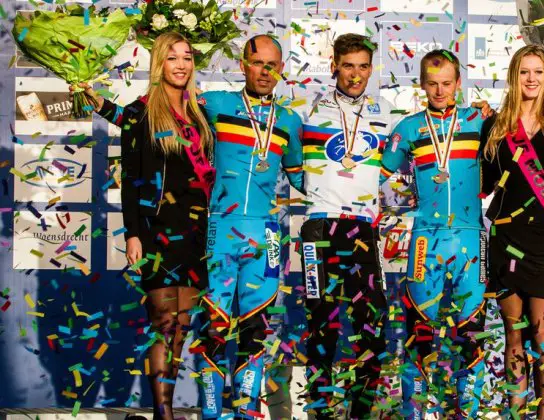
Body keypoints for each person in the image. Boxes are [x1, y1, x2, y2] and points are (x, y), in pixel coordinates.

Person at [78, 34, 303, 419]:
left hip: (263, 234)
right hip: (215, 231)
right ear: (242, 65)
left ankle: (248, 411)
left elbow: (308, 179)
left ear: (282, 69)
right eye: (256, 62)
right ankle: (210, 411)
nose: (264, 71)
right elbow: (143, 116)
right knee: (205, 326)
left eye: (272, 64)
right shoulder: (211, 104)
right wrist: (100, 102)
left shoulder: (291, 120)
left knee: (256, 327)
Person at [379, 49, 488, 419]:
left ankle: (465, 414)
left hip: (472, 239)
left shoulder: (479, 120)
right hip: (426, 238)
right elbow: (382, 176)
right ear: (422, 84)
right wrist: (408, 199)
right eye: (432, 84)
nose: (440, 91)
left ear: (458, 83)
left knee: (471, 334)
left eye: (447, 83)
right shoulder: (408, 127)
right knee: (420, 333)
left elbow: (532, 116)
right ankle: (419, 414)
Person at [479, 45, 544, 419]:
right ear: (514, 76)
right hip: (506, 241)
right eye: (524, 71)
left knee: (543, 336)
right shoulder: (494, 127)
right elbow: (487, 183)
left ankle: (543, 415)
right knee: (513, 334)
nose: (531, 79)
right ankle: (516, 413)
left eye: (538, 72)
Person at [114, 32, 214, 420]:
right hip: (156, 230)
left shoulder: (201, 115)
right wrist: (133, 233)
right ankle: (164, 412)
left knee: (182, 326)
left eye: (187, 57)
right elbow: (131, 180)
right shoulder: (140, 113)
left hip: (194, 233)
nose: (181, 65)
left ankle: (161, 412)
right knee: (163, 321)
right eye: (172, 58)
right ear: (159, 64)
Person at [298, 33, 394, 419]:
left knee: (370, 325)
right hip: (317, 228)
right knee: (321, 324)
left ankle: (360, 412)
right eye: (348, 65)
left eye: (363, 66)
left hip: (360, 232)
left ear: (372, 69)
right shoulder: (306, 108)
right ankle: (319, 411)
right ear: (334, 64)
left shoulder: (387, 112)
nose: (355, 74)